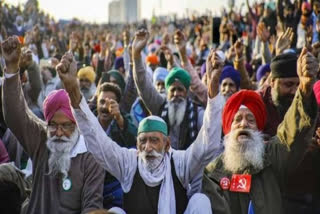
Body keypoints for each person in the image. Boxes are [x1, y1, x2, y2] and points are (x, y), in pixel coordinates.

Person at [55, 48, 227, 214]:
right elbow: (97, 140)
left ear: (167, 145)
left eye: (154, 140)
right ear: (137, 145)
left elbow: (207, 144)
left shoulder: (180, 163)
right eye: (143, 141)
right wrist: (73, 90)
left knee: (200, 201)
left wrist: (212, 87)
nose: (148, 147)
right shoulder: (129, 163)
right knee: (115, 211)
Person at [202, 47, 318, 214]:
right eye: (237, 120)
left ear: (258, 129)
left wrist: (305, 88)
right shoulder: (213, 174)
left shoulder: (272, 156)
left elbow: (291, 134)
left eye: (251, 120)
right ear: (228, 130)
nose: (244, 124)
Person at [1, 36, 104, 214]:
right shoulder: (42, 140)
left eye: (67, 126)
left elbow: (92, 206)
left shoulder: (91, 157)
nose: (59, 132)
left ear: (77, 124)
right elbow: (16, 116)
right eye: (53, 125)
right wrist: (11, 68)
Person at [132, 29, 204, 150]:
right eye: (173, 90)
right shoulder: (159, 105)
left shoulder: (198, 113)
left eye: (180, 89)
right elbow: (143, 84)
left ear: (187, 93)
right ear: (167, 92)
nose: (176, 94)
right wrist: (137, 55)